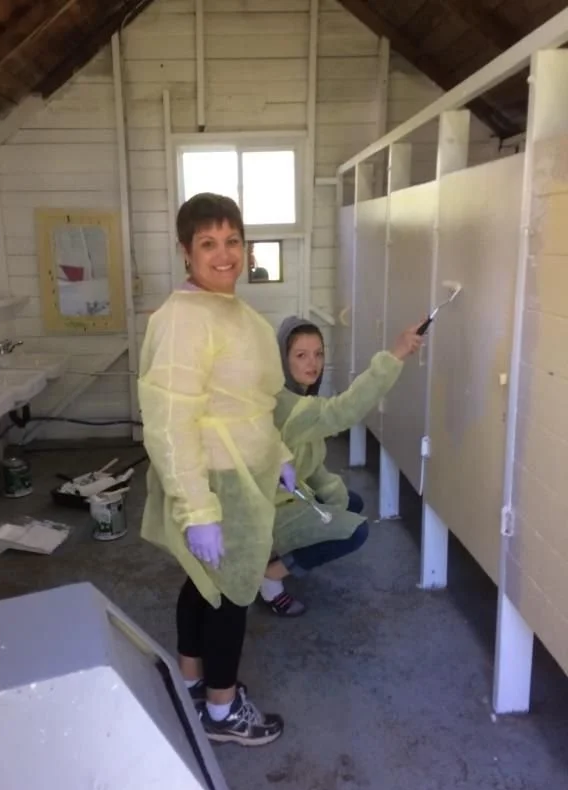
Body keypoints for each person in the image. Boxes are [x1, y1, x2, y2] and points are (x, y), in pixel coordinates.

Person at [138, 192, 297, 746]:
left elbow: (251, 399)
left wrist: (277, 455)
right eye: (208, 243)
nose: (223, 253)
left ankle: (191, 681)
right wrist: (199, 509)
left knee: (203, 584)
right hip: (215, 481)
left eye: (232, 240)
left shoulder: (234, 311)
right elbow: (168, 420)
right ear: (186, 252)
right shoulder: (184, 319)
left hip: (243, 475)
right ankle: (224, 714)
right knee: (232, 595)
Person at [258, 316, 423, 617]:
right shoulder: (287, 406)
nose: (313, 364)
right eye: (300, 355)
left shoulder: (294, 395)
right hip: (266, 506)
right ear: (282, 358)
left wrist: (337, 501)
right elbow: (344, 410)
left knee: (351, 503)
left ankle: (282, 553)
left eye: (318, 354)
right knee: (354, 532)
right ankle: (270, 578)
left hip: (287, 494)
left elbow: (311, 465)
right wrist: (395, 354)